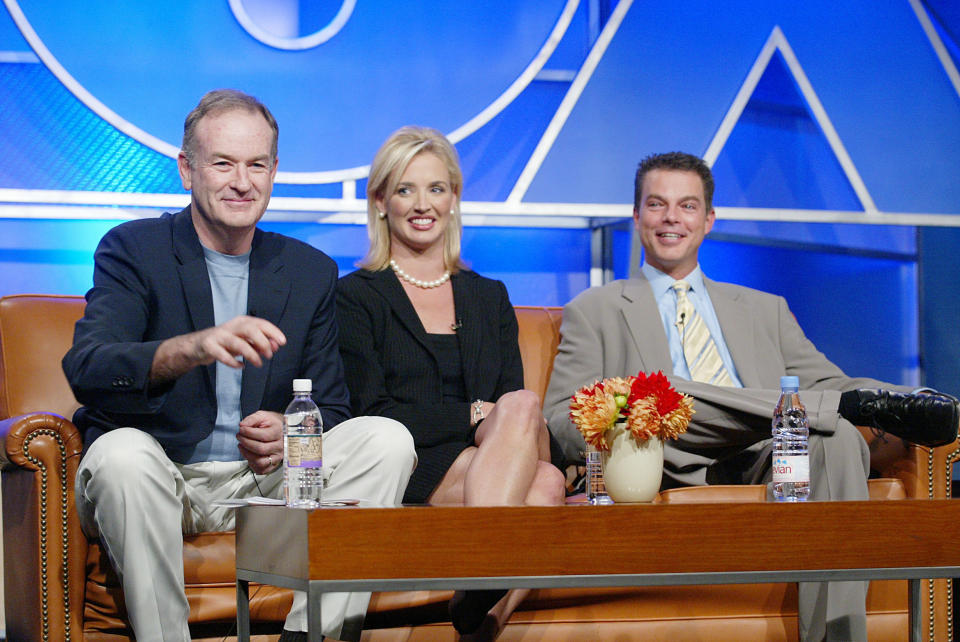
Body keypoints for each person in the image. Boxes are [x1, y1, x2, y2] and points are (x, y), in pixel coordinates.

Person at [543, 151, 959, 642]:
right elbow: (560, 420)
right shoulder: (594, 308)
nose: (671, 217)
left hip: (765, 451)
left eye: (687, 205)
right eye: (657, 205)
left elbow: (825, 386)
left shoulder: (764, 309)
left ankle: (838, 636)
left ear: (709, 219)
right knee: (660, 389)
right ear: (637, 217)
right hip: (668, 454)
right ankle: (804, 410)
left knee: (837, 435)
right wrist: (631, 409)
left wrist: (913, 399)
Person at [63, 89, 417, 642]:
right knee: (122, 456)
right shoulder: (134, 250)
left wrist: (293, 428)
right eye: (223, 163)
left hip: (261, 482)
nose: (242, 181)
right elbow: (89, 367)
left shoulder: (308, 271)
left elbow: (334, 407)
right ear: (187, 169)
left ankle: (312, 636)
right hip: (162, 476)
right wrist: (197, 346)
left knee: (385, 439)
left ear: (275, 171)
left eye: (257, 165)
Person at [335, 126, 566, 639]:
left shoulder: (489, 295)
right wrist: (472, 415)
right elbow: (372, 414)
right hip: (407, 462)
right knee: (544, 483)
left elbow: (510, 414)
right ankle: (484, 601)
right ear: (380, 202)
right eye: (405, 189)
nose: (423, 204)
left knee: (528, 418)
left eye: (436, 188)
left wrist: (491, 421)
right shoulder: (356, 296)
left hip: (488, 462)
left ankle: (480, 603)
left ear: (455, 197)